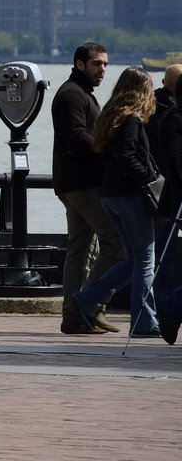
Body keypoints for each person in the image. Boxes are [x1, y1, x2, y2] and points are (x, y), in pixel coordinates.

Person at [68, 67, 162, 338]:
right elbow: (127, 158)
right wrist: (149, 179)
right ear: (140, 90)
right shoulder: (131, 119)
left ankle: (87, 297)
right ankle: (143, 323)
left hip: (111, 197)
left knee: (133, 260)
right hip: (131, 198)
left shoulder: (111, 118)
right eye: (149, 87)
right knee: (145, 260)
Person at [51, 42, 123, 335]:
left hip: (74, 184)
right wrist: (110, 151)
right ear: (79, 64)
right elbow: (77, 138)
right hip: (84, 185)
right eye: (96, 64)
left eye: (105, 64)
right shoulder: (72, 95)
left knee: (80, 250)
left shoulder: (81, 94)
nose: (102, 69)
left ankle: (73, 317)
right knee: (117, 243)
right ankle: (91, 306)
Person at [152, 65, 182, 312]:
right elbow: (173, 159)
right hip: (171, 194)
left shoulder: (155, 110)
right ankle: (166, 306)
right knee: (163, 253)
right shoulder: (171, 117)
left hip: (166, 191)